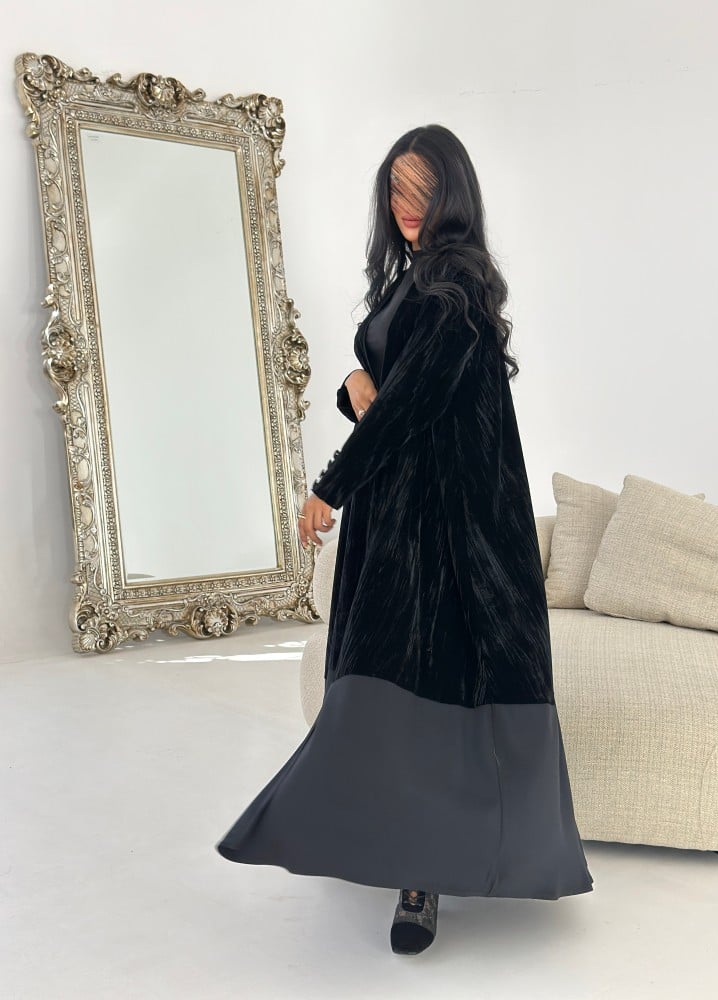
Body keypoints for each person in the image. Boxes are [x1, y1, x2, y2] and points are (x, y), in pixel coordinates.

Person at [215, 124, 594, 956]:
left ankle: (421, 881)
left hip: (445, 534)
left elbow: (409, 408)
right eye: (396, 188)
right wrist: (355, 386)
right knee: (385, 691)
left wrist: (330, 485)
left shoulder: (456, 285)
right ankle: (393, 846)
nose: (408, 205)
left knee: (430, 690)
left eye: (423, 189)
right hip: (399, 521)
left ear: (453, 194)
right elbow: (392, 397)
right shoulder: (411, 280)